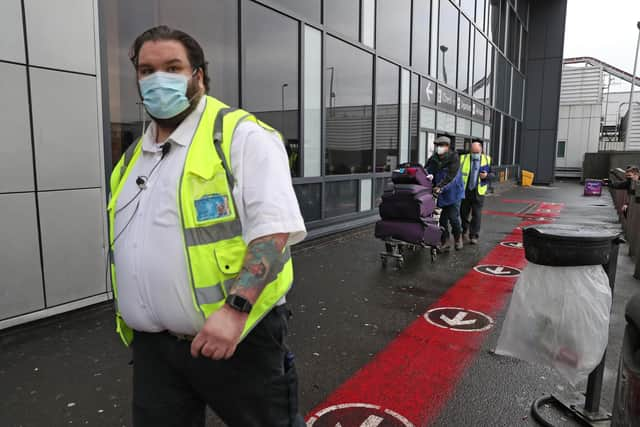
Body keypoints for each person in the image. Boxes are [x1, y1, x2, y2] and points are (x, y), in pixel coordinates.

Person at [107, 26, 307, 427]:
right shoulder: (133, 158)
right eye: (146, 70)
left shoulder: (241, 136)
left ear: (198, 75)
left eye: (172, 67)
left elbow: (273, 234)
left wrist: (234, 312)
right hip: (153, 350)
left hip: (238, 339)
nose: (157, 79)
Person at [426, 136, 465, 251]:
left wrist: (440, 187)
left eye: (441, 145)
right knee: (442, 220)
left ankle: (458, 238)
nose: (438, 148)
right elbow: (427, 169)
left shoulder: (454, 159)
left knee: (453, 218)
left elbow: (452, 178)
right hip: (441, 195)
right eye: (437, 145)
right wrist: (427, 175)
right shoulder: (434, 159)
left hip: (454, 193)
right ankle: (445, 241)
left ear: (447, 147)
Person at [460, 140, 492, 245]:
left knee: (477, 215)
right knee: (463, 214)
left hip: (479, 192)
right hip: (465, 191)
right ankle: (464, 230)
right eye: (473, 152)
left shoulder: (487, 160)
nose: (475, 154)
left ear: (481, 150)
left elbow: (493, 175)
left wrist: (487, 176)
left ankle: (474, 235)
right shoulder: (463, 158)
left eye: (477, 152)